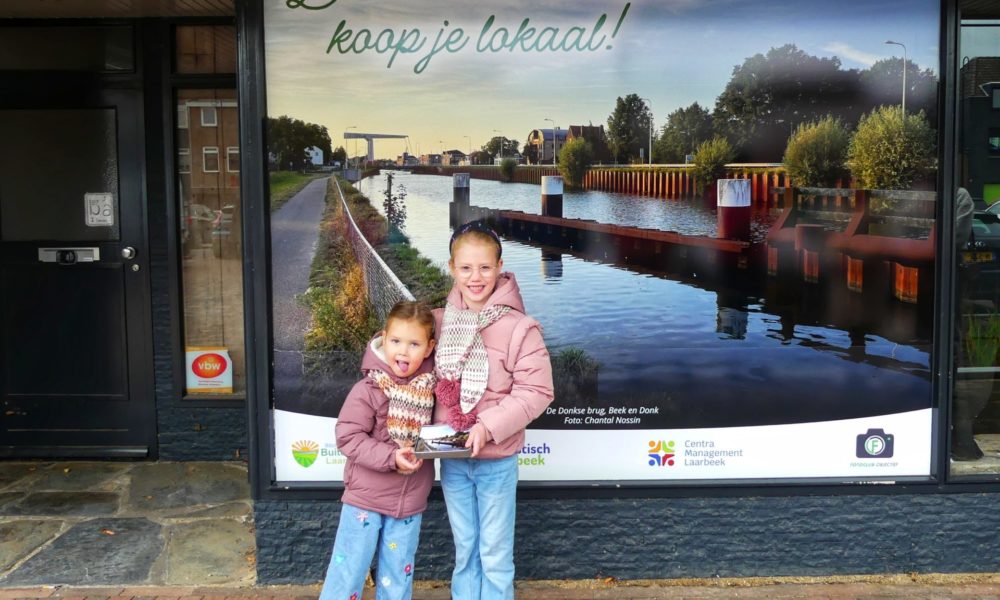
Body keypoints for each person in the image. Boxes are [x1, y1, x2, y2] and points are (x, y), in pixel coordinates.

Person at [433, 220, 555, 600]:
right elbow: (401, 358)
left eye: (485, 267)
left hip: (496, 460)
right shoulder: (436, 322)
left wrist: (487, 426)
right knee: (465, 550)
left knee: (495, 553)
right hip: (453, 459)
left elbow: (537, 391)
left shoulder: (521, 328)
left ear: (500, 267)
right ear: (452, 268)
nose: (476, 277)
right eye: (466, 268)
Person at [319, 300, 438, 600]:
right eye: (396, 341)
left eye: (414, 344)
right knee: (349, 573)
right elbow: (348, 436)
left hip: (408, 503)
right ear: (383, 339)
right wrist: (390, 457)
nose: (403, 350)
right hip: (365, 501)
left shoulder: (432, 390)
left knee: (397, 578)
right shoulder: (368, 389)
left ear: (429, 348)